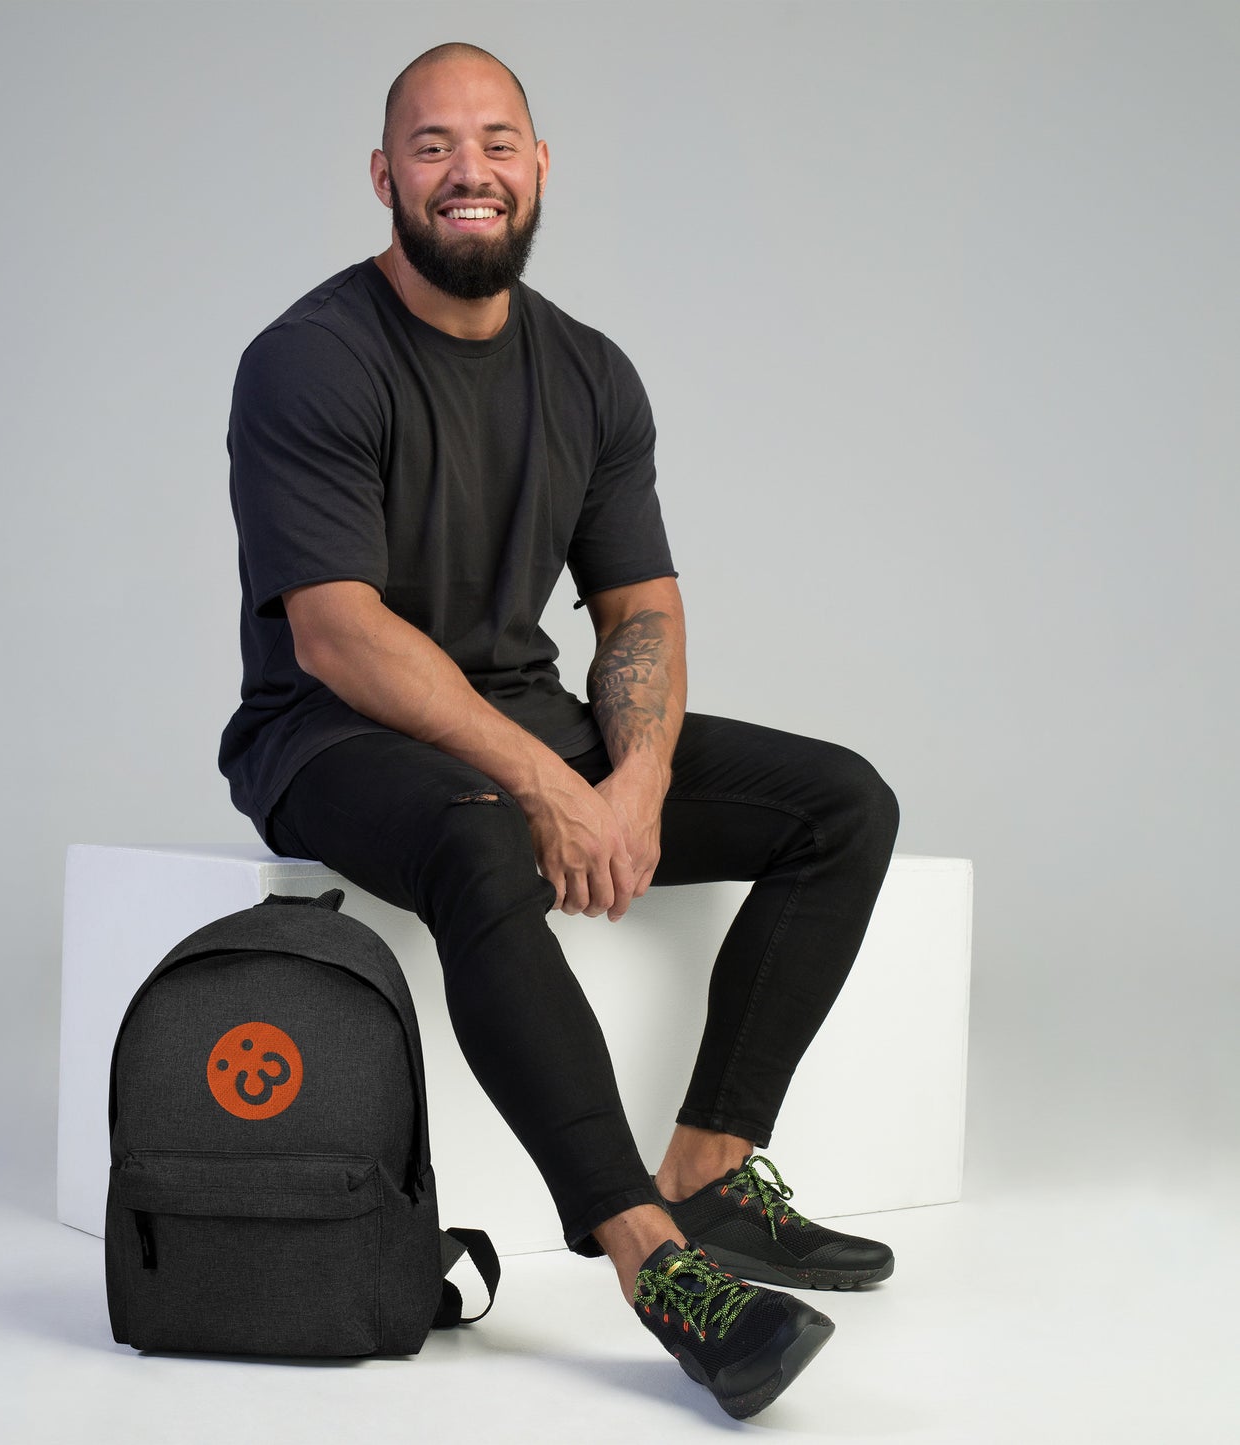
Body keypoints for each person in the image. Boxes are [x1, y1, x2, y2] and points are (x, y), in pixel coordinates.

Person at [218, 41, 900, 1419]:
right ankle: (655, 1263)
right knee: (481, 844)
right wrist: (547, 784)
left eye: (495, 143)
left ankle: (711, 1173)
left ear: (537, 167)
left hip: (531, 722)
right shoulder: (308, 361)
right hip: (330, 741)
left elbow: (640, 605)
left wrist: (634, 780)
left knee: (842, 805)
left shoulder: (589, 372)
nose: (466, 170)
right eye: (431, 146)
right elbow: (337, 633)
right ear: (383, 177)